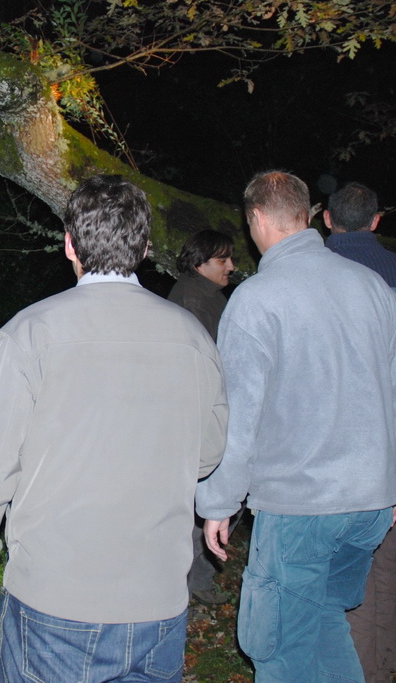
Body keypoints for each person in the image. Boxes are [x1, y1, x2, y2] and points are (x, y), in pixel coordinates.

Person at [0, 175, 228, 683]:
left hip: (56, 599)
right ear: (145, 248)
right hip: (157, 599)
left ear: (69, 245)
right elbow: (208, 453)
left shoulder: (26, 334)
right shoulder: (192, 337)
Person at [196, 171, 396, 682]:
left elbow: (238, 416)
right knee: (324, 621)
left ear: (257, 218)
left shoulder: (258, 298)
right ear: (308, 215)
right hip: (368, 503)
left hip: (301, 507)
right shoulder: (371, 287)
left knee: (278, 645)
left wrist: (217, 500)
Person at [325, 182, 396, 680]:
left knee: (335, 549)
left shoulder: (313, 271)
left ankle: (345, 644)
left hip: (328, 436)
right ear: (376, 220)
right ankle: (393, 638)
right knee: (391, 543)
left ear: (327, 219)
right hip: (390, 435)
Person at [166, 229, 236, 607]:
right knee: (196, 504)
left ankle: (197, 581)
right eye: (222, 260)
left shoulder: (212, 297)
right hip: (195, 419)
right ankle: (185, 587)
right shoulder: (192, 300)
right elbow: (199, 368)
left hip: (207, 415)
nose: (231, 266)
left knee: (210, 502)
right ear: (198, 264)